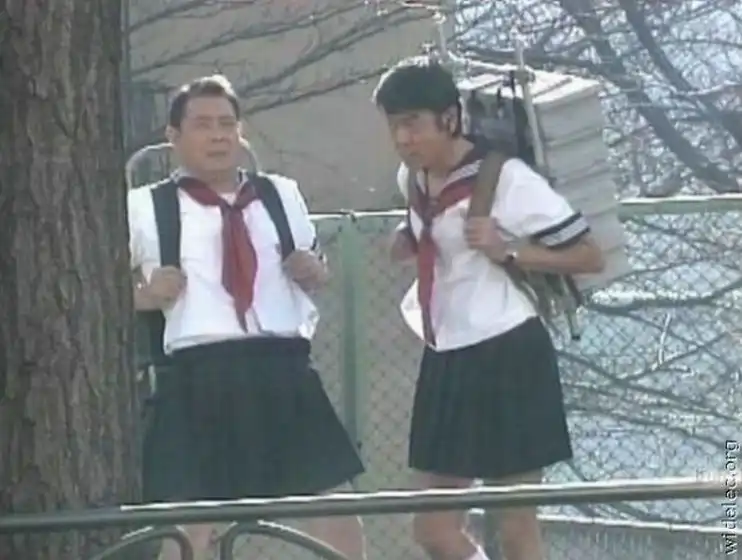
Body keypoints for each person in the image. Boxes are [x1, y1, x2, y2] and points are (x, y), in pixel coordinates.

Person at [372, 57, 605, 560]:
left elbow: (590, 255)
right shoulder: (413, 178)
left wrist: (511, 250)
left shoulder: (506, 179)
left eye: (413, 123)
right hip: (446, 352)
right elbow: (427, 229)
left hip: (508, 351)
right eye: (394, 127)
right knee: (433, 529)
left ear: (449, 118)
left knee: (515, 526)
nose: (404, 139)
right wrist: (408, 237)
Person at [128, 75, 366, 560]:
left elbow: (314, 268)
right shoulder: (145, 206)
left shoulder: (281, 194)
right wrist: (145, 296)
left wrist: (314, 270)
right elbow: (101, 294)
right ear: (174, 136)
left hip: (284, 369)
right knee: (188, 531)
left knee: (337, 518)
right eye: (202, 125)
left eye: (226, 124)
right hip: (196, 376)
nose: (218, 136)